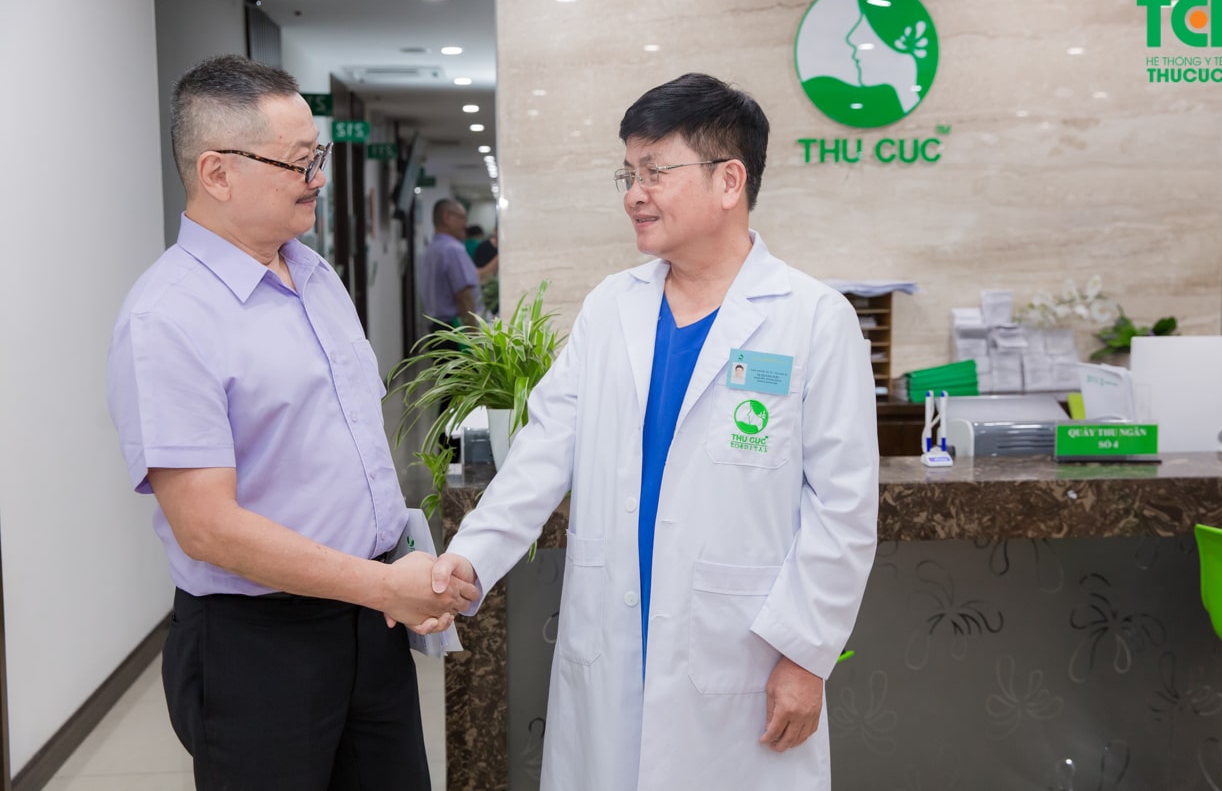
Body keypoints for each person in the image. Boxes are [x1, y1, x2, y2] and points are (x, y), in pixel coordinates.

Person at [426, 73, 880, 790]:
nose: (634, 194)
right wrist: (471, 558)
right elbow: (541, 452)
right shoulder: (613, 307)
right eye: (628, 174)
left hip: (742, 657)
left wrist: (805, 653)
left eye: (655, 171)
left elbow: (843, 510)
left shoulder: (813, 319)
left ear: (729, 180)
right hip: (610, 645)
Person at [106, 54, 476, 791]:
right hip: (259, 648)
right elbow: (208, 528)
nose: (318, 178)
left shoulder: (315, 275)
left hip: (369, 625)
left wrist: (389, 583)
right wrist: (381, 588)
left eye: (319, 156)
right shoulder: (167, 318)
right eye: (298, 162)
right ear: (217, 173)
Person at [417, 198, 481, 329]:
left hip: (436, 328)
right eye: (462, 218)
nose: (465, 225)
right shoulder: (452, 249)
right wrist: (473, 334)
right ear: (447, 217)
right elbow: (463, 296)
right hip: (454, 329)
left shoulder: (431, 249)